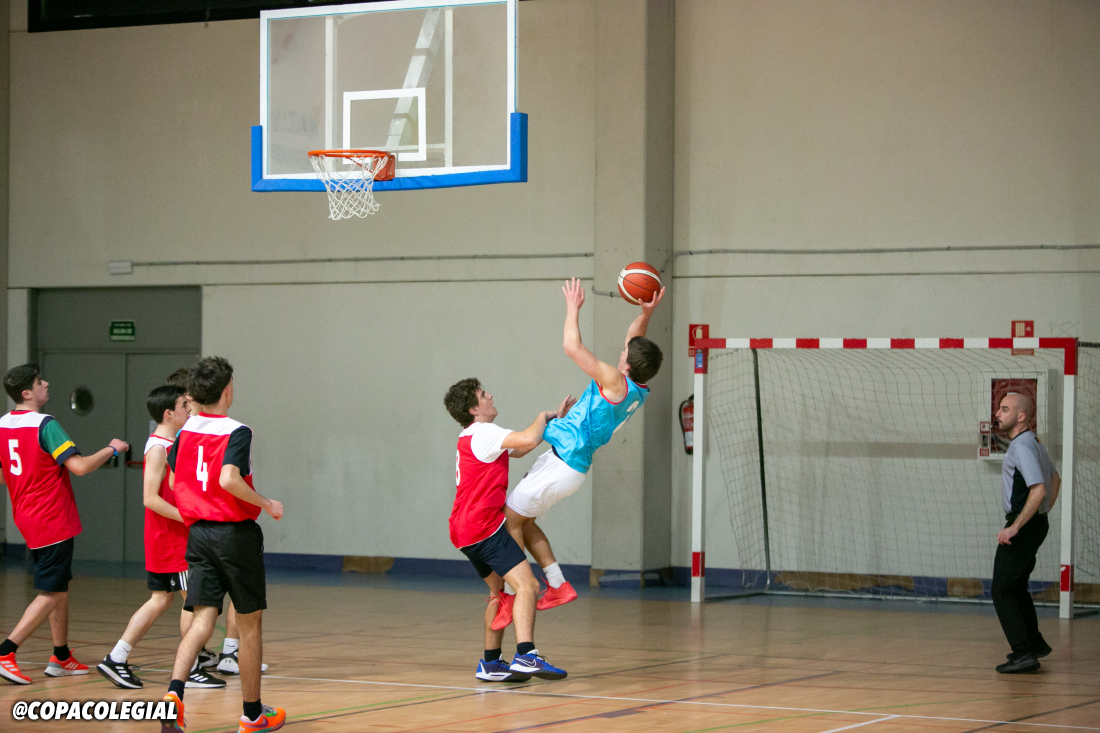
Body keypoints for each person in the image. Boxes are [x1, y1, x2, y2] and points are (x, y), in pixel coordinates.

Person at [503, 278, 664, 610]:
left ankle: (515, 593)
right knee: (525, 522)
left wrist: (572, 309)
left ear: (627, 365)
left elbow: (571, 347)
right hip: (568, 465)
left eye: (624, 352)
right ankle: (558, 586)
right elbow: (633, 338)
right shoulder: (638, 389)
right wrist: (646, 313)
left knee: (511, 521)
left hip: (563, 462)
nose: (622, 350)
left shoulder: (615, 381)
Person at [158, 357, 285, 732]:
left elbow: (175, 476)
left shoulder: (185, 432)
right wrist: (266, 503)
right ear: (228, 389)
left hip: (198, 535)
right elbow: (229, 478)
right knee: (249, 624)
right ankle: (252, 715)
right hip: (234, 535)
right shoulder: (237, 431)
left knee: (202, 619)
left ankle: (173, 696)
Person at [0, 364, 129, 685]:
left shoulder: (3, 425)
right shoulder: (46, 424)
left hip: (26, 515)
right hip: (51, 517)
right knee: (51, 592)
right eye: (38, 381)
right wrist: (112, 449)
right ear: (27, 393)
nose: (46, 383)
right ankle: (6, 652)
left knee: (58, 588)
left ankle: (60, 655)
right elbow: (80, 467)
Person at [444, 378, 573, 682]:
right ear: (474, 409)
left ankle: (490, 663)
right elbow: (528, 439)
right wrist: (543, 415)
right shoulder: (484, 432)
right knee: (527, 586)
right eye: (483, 394)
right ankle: (526, 655)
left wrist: (552, 421)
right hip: (484, 527)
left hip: (463, 530)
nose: (490, 395)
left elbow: (521, 448)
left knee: (498, 593)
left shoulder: (471, 436)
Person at [96, 385, 223, 690]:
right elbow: (150, 499)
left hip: (171, 536)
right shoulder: (158, 448)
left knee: (162, 599)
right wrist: (189, 517)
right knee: (195, 602)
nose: (189, 409)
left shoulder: (172, 443)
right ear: (169, 413)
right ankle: (190, 669)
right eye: (183, 405)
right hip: (171, 538)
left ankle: (116, 657)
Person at [991, 392, 1060, 674]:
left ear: (1021, 417)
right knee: (1016, 587)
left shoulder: (1022, 447)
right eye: (999, 408)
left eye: (1005, 409)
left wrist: (1016, 526)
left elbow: (1040, 488)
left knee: (1002, 589)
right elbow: (1055, 479)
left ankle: (1023, 653)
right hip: (1034, 523)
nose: (998, 413)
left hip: (1023, 525)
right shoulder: (1033, 442)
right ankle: (1034, 644)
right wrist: (1042, 513)